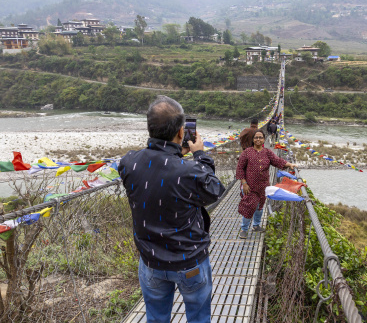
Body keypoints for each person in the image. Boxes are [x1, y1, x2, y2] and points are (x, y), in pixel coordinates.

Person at [119, 96, 225, 323]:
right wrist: (199, 155)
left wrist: (173, 155)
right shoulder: (188, 172)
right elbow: (215, 190)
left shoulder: (129, 162)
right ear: (181, 132)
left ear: (149, 128)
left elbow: (157, 172)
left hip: (150, 262)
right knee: (198, 317)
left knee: (156, 318)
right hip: (189, 261)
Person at [236, 129, 296, 239]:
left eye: (260, 137)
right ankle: (244, 229)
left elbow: (277, 161)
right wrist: (244, 183)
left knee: (260, 207)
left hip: (263, 186)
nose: (258, 139)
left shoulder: (267, 152)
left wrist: (289, 164)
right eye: (256, 137)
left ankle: (256, 225)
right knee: (249, 207)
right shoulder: (247, 152)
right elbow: (240, 168)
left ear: (264, 139)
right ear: (253, 140)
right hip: (249, 186)